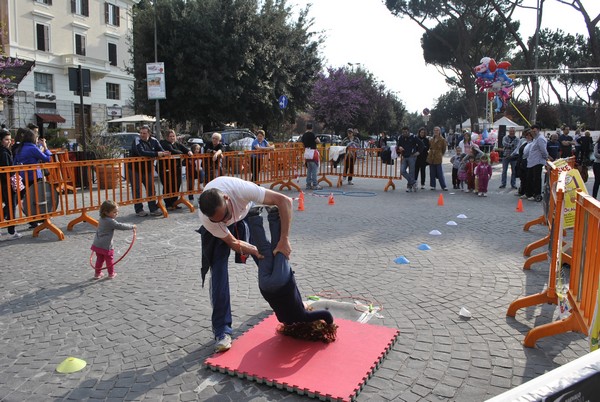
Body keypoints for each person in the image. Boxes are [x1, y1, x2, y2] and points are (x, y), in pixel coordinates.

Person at [197, 176, 293, 352]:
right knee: (219, 275)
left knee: (270, 258)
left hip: (243, 215)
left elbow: (284, 201)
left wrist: (284, 240)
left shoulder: (241, 189)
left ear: (227, 198)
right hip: (221, 235)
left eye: (224, 215)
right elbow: (233, 243)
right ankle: (222, 331)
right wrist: (251, 249)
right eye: (218, 220)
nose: (223, 220)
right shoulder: (209, 220)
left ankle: (290, 303)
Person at [247, 207, 336, 342]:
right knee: (264, 249)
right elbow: (288, 308)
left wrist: (331, 326)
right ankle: (253, 216)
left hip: (282, 282)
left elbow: (327, 315)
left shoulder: (303, 315)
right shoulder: (283, 319)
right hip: (265, 287)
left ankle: (274, 214)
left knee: (280, 246)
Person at [129, 125, 169, 217]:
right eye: (141, 133)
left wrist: (161, 153)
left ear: (149, 133)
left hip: (148, 168)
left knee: (151, 188)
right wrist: (156, 154)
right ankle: (139, 210)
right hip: (135, 169)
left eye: (144, 133)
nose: (142, 135)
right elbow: (141, 152)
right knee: (137, 189)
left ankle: (153, 209)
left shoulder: (154, 140)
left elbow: (162, 151)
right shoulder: (137, 140)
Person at [91, 200, 136, 279]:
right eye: (114, 212)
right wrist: (131, 226)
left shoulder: (101, 218)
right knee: (109, 259)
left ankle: (97, 274)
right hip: (106, 245)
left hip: (97, 243)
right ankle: (111, 273)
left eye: (117, 212)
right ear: (106, 212)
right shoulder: (110, 221)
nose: (116, 214)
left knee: (99, 259)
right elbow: (120, 226)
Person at [159, 129, 192, 210]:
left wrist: (188, 152)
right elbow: (172, 151)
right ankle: (168, 204)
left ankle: (174, 202)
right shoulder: (164, 143)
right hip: (165, 168)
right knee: (167, 186)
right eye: (170, 136)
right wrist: (182, 153)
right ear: (167, 137)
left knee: (176, 184)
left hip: (176, 168)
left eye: (173, 136)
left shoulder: (177, 143)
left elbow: (185, 148)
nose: (172, 138)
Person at [0, 129, 22, 240]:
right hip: (7, 183)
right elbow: (7, 169)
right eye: (6, 139)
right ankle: (11, 231)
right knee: (11, 206)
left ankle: (11, 229)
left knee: (9, 205)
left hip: (5, 182)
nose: (8, 141)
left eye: (9, 139)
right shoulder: (4, 152)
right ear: (1, 140)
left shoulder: (5, 151)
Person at [523, 124, 548, 202]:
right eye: (532, 131)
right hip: (532, 161)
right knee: (529, 178)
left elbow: (543, 150)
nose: (532, 133)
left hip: (538, 161)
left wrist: (545, 157)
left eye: (534, 131)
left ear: (537, 130)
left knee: (536, 178)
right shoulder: (535, 139)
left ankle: (537, 194)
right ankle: (529, 193)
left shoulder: (540, 139)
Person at [396, 127, 424, 192]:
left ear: (408, 131)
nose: (404, 133)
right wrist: (399, 147)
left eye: (406, 132)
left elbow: (421, 144)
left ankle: (409, 187)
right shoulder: (401, 138)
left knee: (411, 172)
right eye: (403, 132)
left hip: (412, 156)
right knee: (402, 171)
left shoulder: (413, 137)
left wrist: (418, 152)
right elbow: (398, 145)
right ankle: (414, 182)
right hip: (404, 156)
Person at [300, 123, 322, 190]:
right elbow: (318, 141)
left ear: (306, 128)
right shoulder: (312, 134)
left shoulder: (303, 135)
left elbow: (303, 143)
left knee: (309, 170)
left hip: (307, 153)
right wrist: (318, 139)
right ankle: (315, 184)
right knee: (314, 170)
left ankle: (308, 184)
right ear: (312, 128)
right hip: (313, 153)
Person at [426, 126, 448, 191]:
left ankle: (443, 186)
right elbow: (429, 147)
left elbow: (444, 149)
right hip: (431, 156)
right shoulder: (431, 140)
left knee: (440, 172)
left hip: (438, 157)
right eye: (435, 130)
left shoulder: (442, 140)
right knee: (432, 172)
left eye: (437, 130)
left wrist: (440, 154)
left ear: (439, 131)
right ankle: (432, 185)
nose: (436, 131)